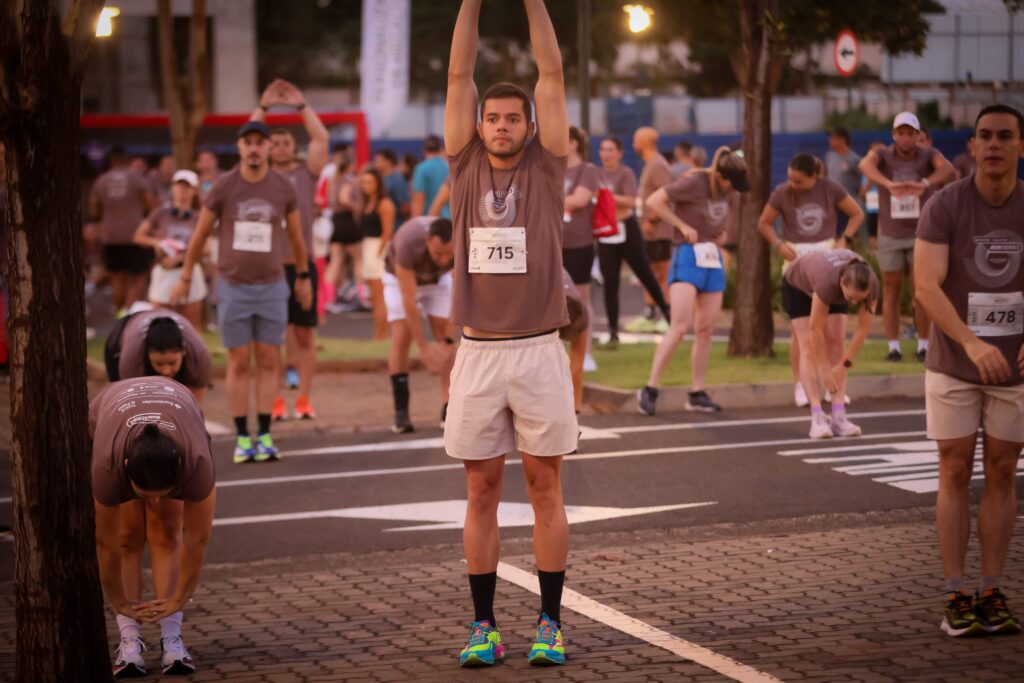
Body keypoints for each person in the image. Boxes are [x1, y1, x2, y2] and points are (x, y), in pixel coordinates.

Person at [445, 0, 575, 667]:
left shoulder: (548, 165)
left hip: (537, 349)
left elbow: (550, 72)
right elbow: (459, 72)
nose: (500, 126)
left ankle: (550, 623)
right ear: (479, 125)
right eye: (492, 118)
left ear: (529, 126)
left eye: (511, 118)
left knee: (545, 486)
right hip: (477, 351)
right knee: (481, 491)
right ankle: (484, 624)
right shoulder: (463, 164)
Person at [914, 104, 1024, 638]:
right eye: (985, 136)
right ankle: (957, 592)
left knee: (1003, 471)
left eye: (1006, 135)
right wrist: (971, 342)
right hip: (958, 362)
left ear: (1020, 146)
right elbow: (925, 286)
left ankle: (992, 589)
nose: (995, 143)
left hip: (1016, 368)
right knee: (955, 469)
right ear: (973, 147)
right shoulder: (946, 205)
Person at [170, 120, 312, 464]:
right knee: (237, 360)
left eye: (259, 143)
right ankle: (241, 438)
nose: (253, 148)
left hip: (272, 284)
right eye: (247, 142)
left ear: (267, 149)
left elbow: (296, 238)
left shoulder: (282, 188)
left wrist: (304, 276)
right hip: (233, 285)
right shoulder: (223, 186)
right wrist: (186, 276)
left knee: (267, 359)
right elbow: (200, 235)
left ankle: (263, 434)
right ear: (239, 148)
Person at [90, 376, 216, 677]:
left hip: (179, 411)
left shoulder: (196, 461)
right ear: (123, 470)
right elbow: (105, 545)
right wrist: (120, 602)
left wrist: (178, 600)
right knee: (126, 537)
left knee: (167, 530)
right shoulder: (106, 465)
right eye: (147, 495)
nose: (155, 502)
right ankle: (129, 641)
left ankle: (172, 639)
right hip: (110, 413)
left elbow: (196, 541)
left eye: (166, 493)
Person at [636, 146, 749, 416]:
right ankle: (650, 387)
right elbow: (654, 200)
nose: (733, 190)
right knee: (680, 325)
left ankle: (697, 392)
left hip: (712, 257)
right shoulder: (694, 181)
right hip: (687, 255)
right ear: (721, 177)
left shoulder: (731, 192)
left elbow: (726, 218)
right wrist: (682, 225)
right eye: (731, 184)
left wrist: (722, 235)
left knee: (706, 328)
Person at [249, 78, 329, 422]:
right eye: (274, 142)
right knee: (272, 338)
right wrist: (264, 106)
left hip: (301, 265)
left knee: (304, 334)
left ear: (292, 146)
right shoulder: (257, 174)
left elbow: (321, 139)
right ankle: (278, 399)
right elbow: (248, 135)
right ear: (266, 148)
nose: (279, 147)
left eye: (285, 142)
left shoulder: (305, 173)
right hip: (268, 268)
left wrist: (300, 105)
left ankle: (305, 399)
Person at [758, 153, 865, 407]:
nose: (792, 185)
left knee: (833, 333)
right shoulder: (782, 192)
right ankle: (801, 384)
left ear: (814, 176)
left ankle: (833, 385)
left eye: (799, 182)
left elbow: (856, 214)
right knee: (802, 335)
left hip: (828, 263)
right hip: (797, 265)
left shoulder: (830, 188)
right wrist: (778, 244)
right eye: (790, 179)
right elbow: (764, 223)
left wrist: (844, 240)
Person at [859, 111, 954, 363]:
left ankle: (924, 344)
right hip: (890, 232)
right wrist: (888, 184)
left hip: (921, 233)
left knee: (920, 290)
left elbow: (948, 168)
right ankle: (893, 346)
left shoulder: (927, 155)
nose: (905, 138)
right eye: (900, 133)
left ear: (917, 135)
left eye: (910, 133)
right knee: (890, 289)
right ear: (893, 135)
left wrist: (924, 183)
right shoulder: (883, 155)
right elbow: (864, 165)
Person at [782, 250, 879, 438]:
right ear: (842, 282)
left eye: (858, 300)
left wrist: (844, 365)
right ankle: (817, 416)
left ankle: (838, 416)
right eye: (850, 298)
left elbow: (862, 330)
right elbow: (815, 330)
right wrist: (824, 369)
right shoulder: (828, 282)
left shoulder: (872, 285)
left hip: (833, 286)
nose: (852, 303)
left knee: (836, 342)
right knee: (808, 346)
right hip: (797, 285)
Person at [383, 216, 456, 433]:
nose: (443, 259)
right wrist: (424, 349)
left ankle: (449, 406)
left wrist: (448, 341)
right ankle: (401, 410)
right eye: (437, 253)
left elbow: (461, 297)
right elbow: (409, 301)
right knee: (402, 335)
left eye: (448, 254)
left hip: (437, 280)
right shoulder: (407, 242)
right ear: (426, 242)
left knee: (443, 333)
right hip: (399, 279)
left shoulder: (464, 243)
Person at [596, 135, 670, 347]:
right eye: (603, 150)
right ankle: (612, 332)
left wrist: (606, 196)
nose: (606, 154)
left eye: (611, 150)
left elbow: (631, 200)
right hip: (606, 232)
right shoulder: (596, 173)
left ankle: (668, 315)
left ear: (619, 153)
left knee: (646, 274)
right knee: (610, 283)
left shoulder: (625, 173)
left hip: (627, 228)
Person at [132, 170, 208, 329]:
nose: (182, 191)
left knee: (190, 328)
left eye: (187, 187)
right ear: (172, 188)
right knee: (159, 324)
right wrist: (157, 243)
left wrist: (181, 258)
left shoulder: (199, 217)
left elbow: (206, 248)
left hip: (190, 271)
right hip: (164, 271)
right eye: (179, 186)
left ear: (194, 191)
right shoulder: (160, 213)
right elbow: (138, 236)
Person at [90, 147, 157, 316]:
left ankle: (119, 313)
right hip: (135, 236)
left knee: (116, 277)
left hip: (111, 237)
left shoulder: (101, 181)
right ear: (126, 160)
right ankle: (129, 312)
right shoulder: (137, 179)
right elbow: (150, 205)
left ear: (111, 161)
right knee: (139, 276)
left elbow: (94, 211)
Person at [104, 309, 212, 401]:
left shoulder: (199, 357)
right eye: (159, 364)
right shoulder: (131, 359)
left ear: (183, 351)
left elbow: (196, 406)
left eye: (172, 363)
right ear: (146, 354)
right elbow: (135, 404)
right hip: (122, 335)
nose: (166, 371)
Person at [629, 127, 674, 333]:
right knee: (650, 273)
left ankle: (668, 315)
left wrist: (652, 221)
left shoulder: (658, 165)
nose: (633, 144)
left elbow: (667, 195)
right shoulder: (651, 164)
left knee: (661, 274)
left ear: (645, 142)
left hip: (658, 231)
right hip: (649, 231)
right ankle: (649, 313)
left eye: (636, 139)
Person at [563, 126, 600, 370]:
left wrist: (547, 199)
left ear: (574, 143)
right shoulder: (549, 168)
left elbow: (578, 200)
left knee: (581, 297)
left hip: (579, 242)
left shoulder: (587, 170)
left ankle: (585, 353)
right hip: (552, 243)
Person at [356, 167, 396, 340]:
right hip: (368, 249)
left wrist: (377, 256)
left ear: (378, 184)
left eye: (370, 182)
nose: (366, 186)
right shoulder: (367, 204)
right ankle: (379, 334)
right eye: (364, 182)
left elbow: (387, 233)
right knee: (374, 297)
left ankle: (382, 335)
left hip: (378, 250)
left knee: (380, 298)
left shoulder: (384, 204)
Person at [560, 268, 589, 412]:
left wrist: (575, 412)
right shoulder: (544, 312)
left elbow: (577, 366)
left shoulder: (582, 316)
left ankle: (575, 407)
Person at [411, 134, 450, 218]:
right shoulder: (448, 167)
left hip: (430, 220)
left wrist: (416, 222)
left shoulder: (421, 168)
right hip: (448, 218)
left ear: (423, 150)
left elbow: (418, 198)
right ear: (440, 149)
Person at [373, 149, 411, 219]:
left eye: (378, 161)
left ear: (388, 161)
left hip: (395, 223)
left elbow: (404, 206)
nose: (375, 163)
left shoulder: (397, 180)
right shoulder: (379, 179)